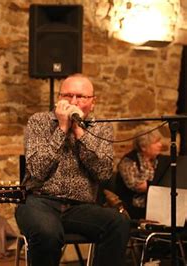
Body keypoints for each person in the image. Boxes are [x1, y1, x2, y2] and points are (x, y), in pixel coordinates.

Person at [15, 74, 131, 266]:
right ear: (58, 99)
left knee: (118, 223)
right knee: (48, 233)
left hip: (80, 207)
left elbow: (103, 172)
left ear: (92, 102)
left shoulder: (101, 128)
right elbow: (37, 170)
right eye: (67, 95)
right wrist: (61, 129)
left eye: (80, 97)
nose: (73, 101)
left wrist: (79, 132)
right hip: (38, 201)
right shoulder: (39, 122)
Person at [117, 130, 165, 220]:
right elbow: (138, 187)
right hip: (134, 207)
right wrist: (159, 185)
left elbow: (166, 179)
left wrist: (151, 184)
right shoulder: (129, 161)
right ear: (143, 147)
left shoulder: (158, 159)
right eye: (156, 142)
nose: (160, 145)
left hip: (157, 204)